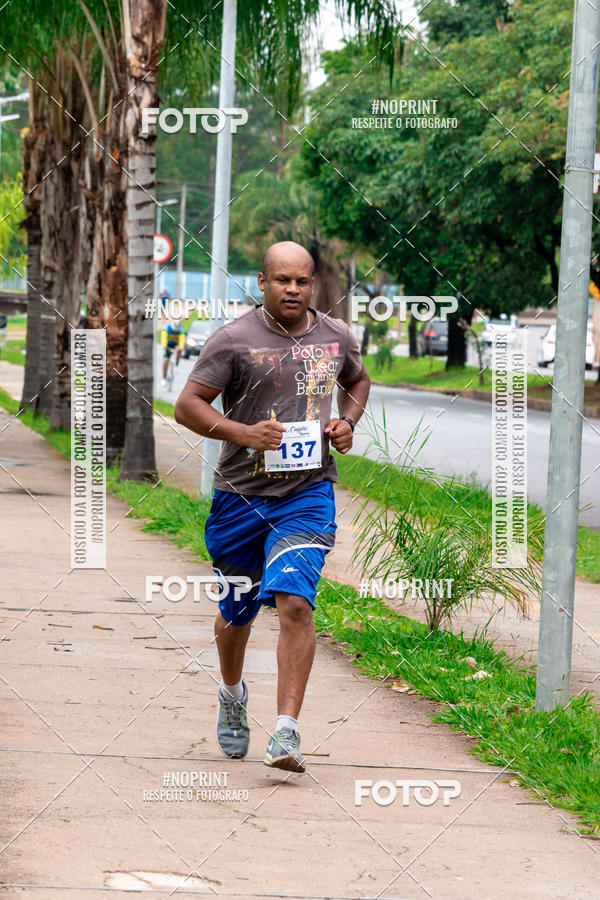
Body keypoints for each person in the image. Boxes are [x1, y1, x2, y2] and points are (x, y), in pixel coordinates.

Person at [174, 241, 370, 773]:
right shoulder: (234, 339)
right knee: (236, 612)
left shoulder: (335, 335)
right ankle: (233, 695)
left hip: (307, 493)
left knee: (294, 603)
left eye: (302, 281)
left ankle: (287, 731)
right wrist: (243, 433)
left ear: (314, 285)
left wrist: (347, 422)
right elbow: (187, 405)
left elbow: (357, 381)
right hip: (240, 496)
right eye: (282, 280)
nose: (293, 289)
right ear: (261, 282)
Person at [160, 317, 185, 385]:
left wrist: (181, 348)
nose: (174, 332)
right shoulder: (166, 328)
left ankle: (176, 364)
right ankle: (164, 377)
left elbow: (182, 341)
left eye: (176, 331)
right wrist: (164, 347)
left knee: (179, 350)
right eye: (174, 330)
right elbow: (163, 338)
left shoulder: (181, 331)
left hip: (175, 345)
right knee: (166, 360)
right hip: (167, 346)